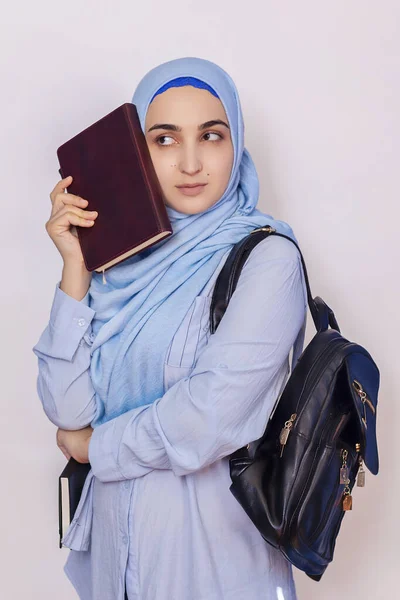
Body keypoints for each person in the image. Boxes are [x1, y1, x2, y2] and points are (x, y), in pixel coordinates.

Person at [33, 57, 308, 600]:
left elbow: (207, 418)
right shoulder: (119, 264)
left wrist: (97, 449)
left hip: (214, 564)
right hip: (118, 561)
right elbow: (67, 409)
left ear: (236, 143)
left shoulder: (267, 260)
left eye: (211, 135)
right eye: (163, 139)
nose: (189, 162)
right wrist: (75, 267)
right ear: (137, 153)